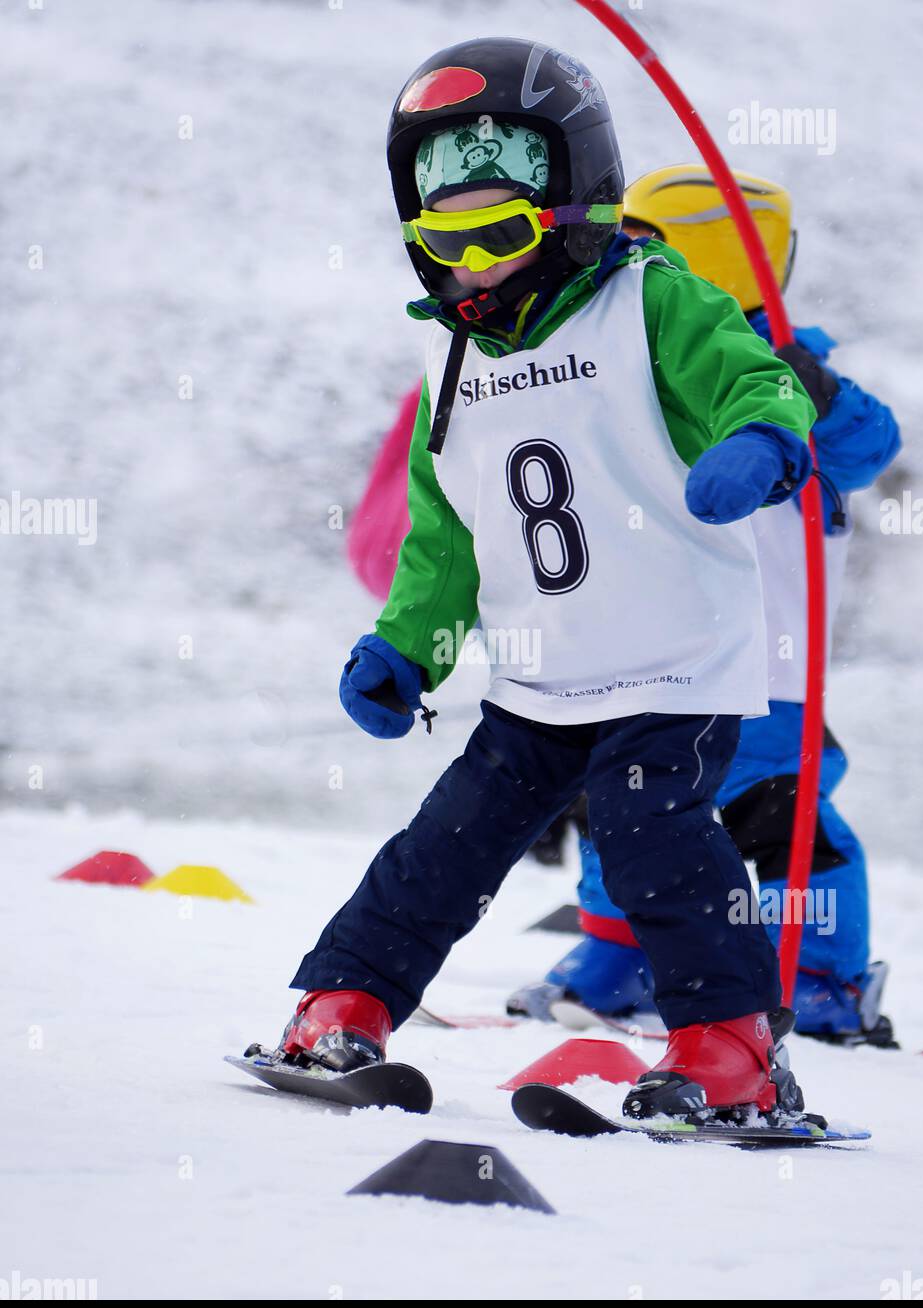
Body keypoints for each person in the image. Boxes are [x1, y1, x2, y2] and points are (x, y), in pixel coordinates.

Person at [272, 39, 821, 1122]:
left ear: (574, 206)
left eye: (499, 233)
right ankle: (341, 1003)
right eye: (446, 239)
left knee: (652, 833)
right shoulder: (451, 359)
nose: (472, 263)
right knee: (445, 843)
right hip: (539, 679)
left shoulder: (652, 300)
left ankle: (731, 1050)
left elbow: (754, 376)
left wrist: (763, 438)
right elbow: (448, 534)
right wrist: (406, 647)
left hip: (674, 663)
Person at [508, 165, 902, 1045]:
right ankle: (621, 953)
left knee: (778, 811)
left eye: (639, 244)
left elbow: (871, 445)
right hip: (651, 646)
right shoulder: (632, 359)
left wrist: (814, 390)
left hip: (766, 665)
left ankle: (820, 974)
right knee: (625, 802)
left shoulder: (795, 380)